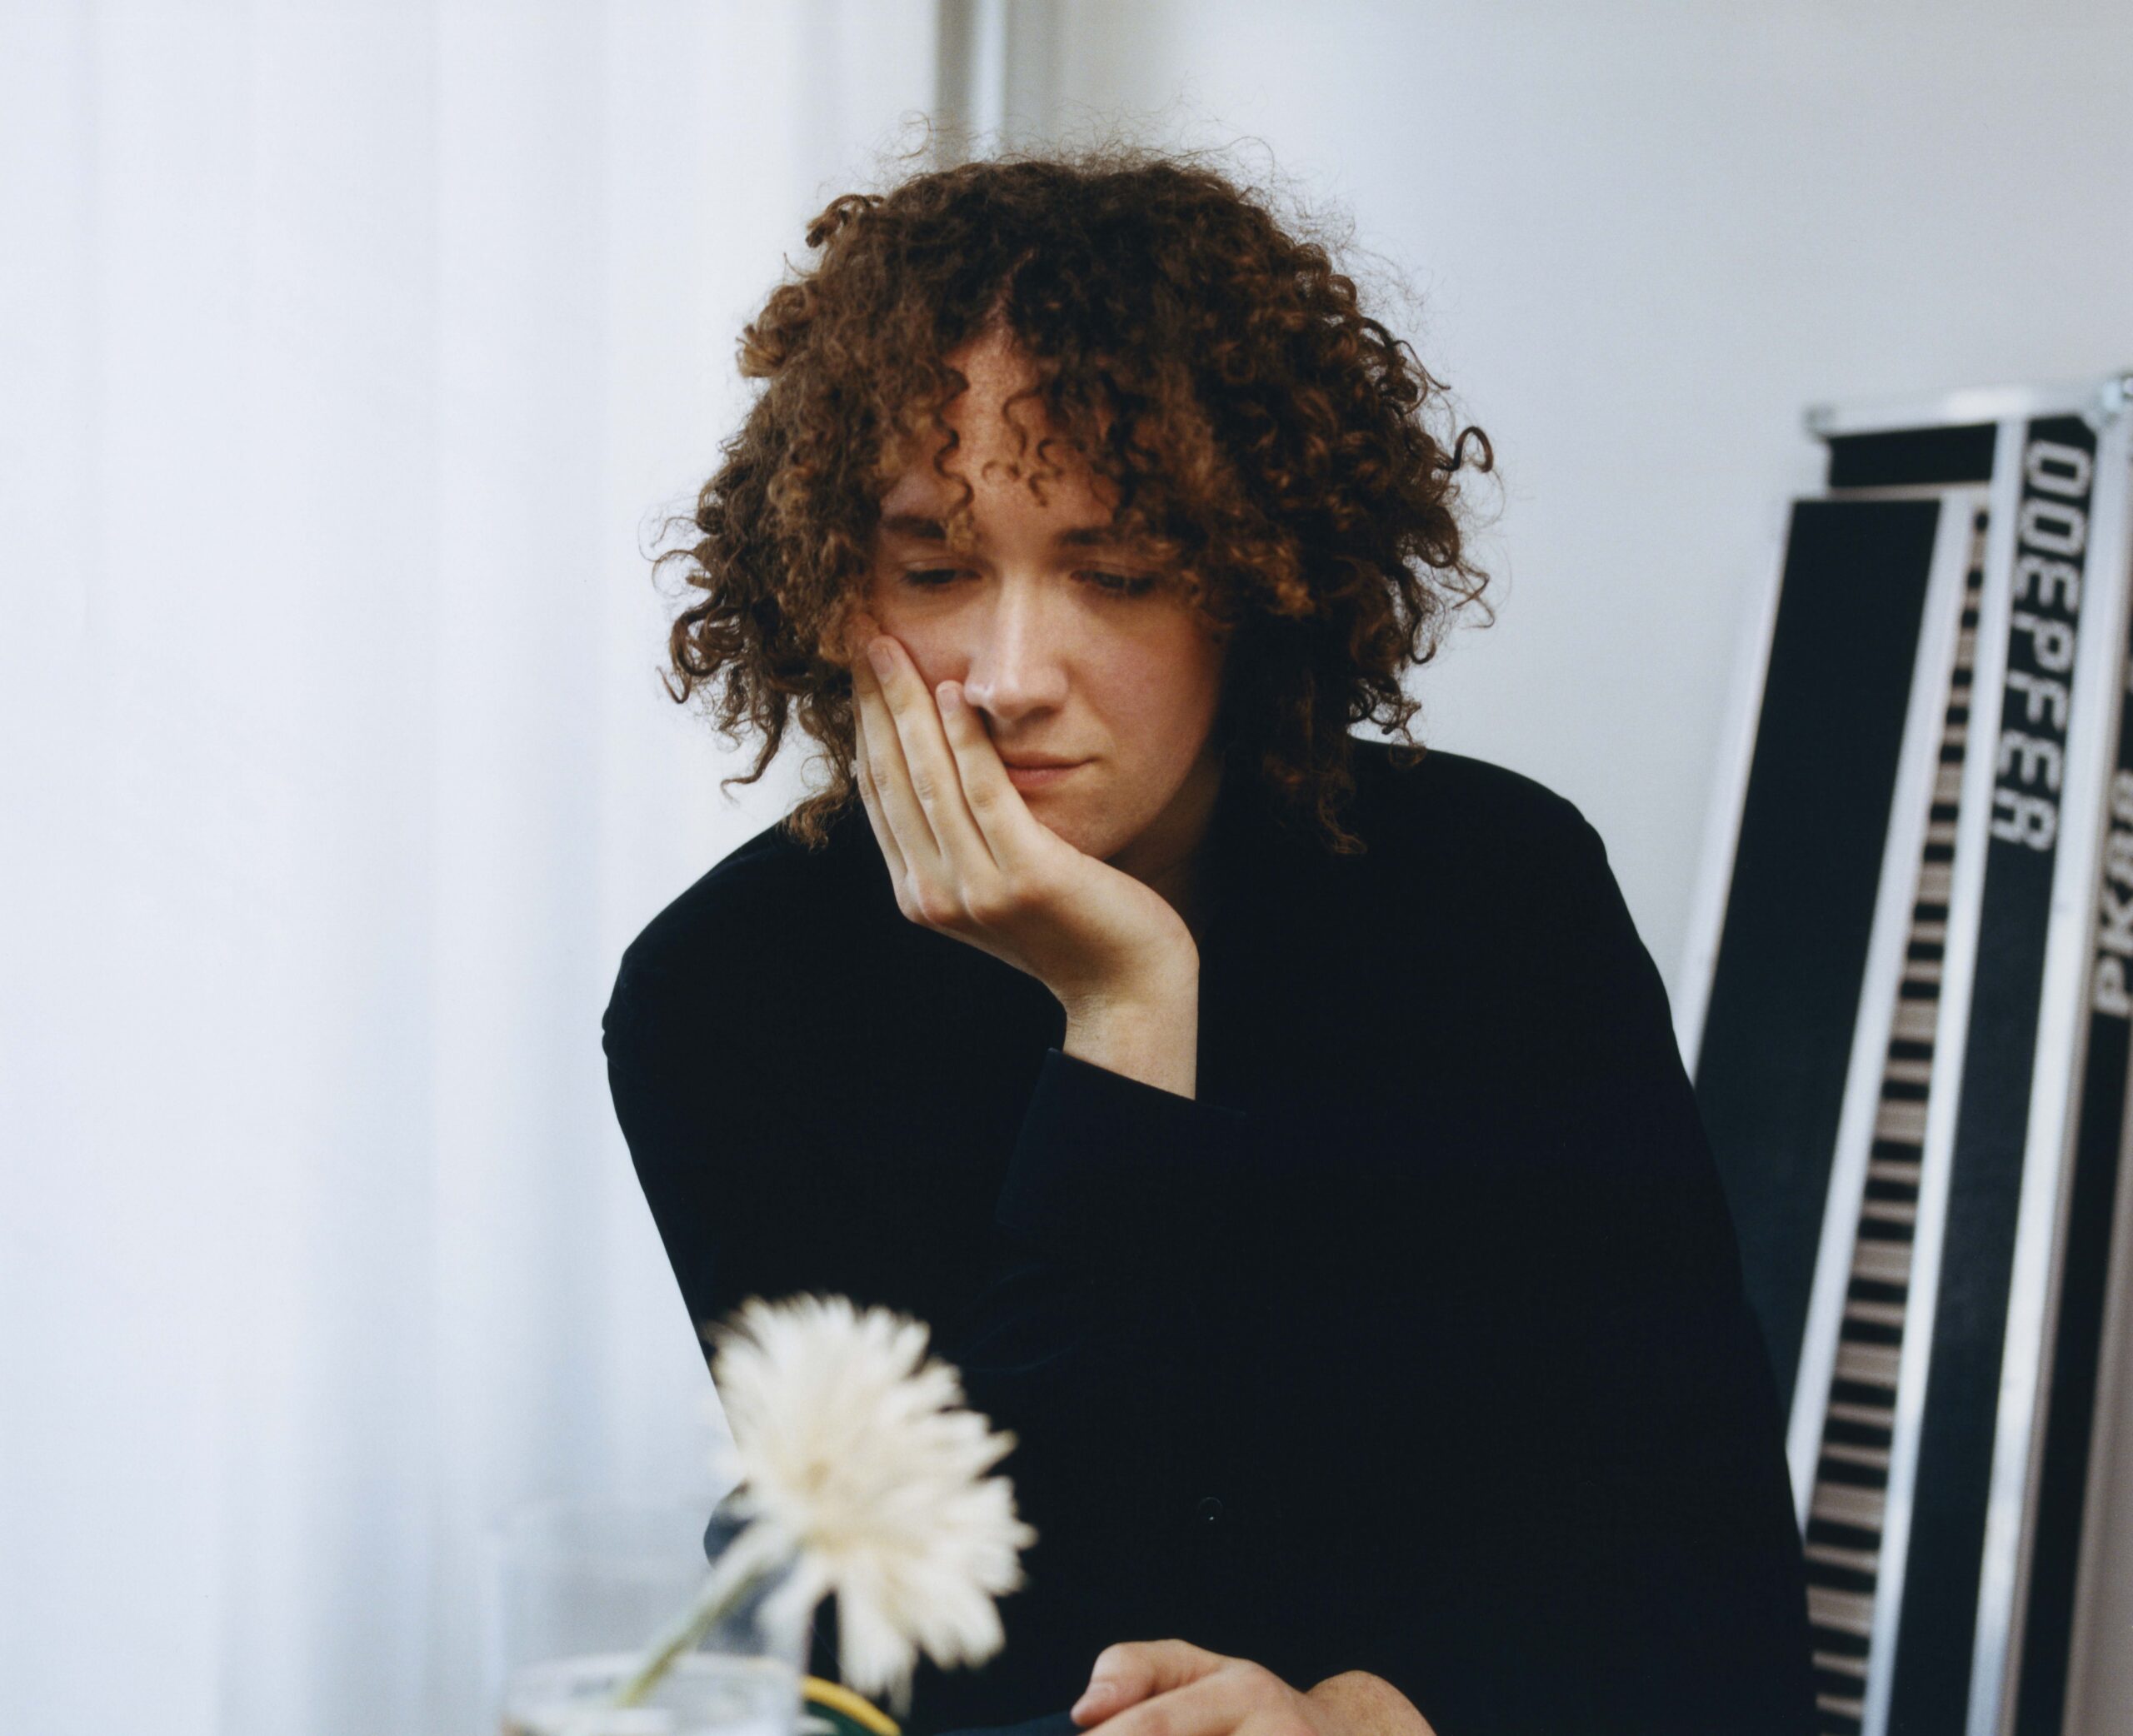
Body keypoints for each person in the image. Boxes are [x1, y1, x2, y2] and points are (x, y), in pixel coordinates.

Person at [602, 146, 1816, 1736]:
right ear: (833, 585)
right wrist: (1123, 1018)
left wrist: (1356, 1721)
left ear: (1257, 585)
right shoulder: (730, 995)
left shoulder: (1496, 894)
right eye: (936, 569)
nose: (1012, 674)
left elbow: (1706, 1577)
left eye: (1115, 572)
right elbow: (951, 1667)